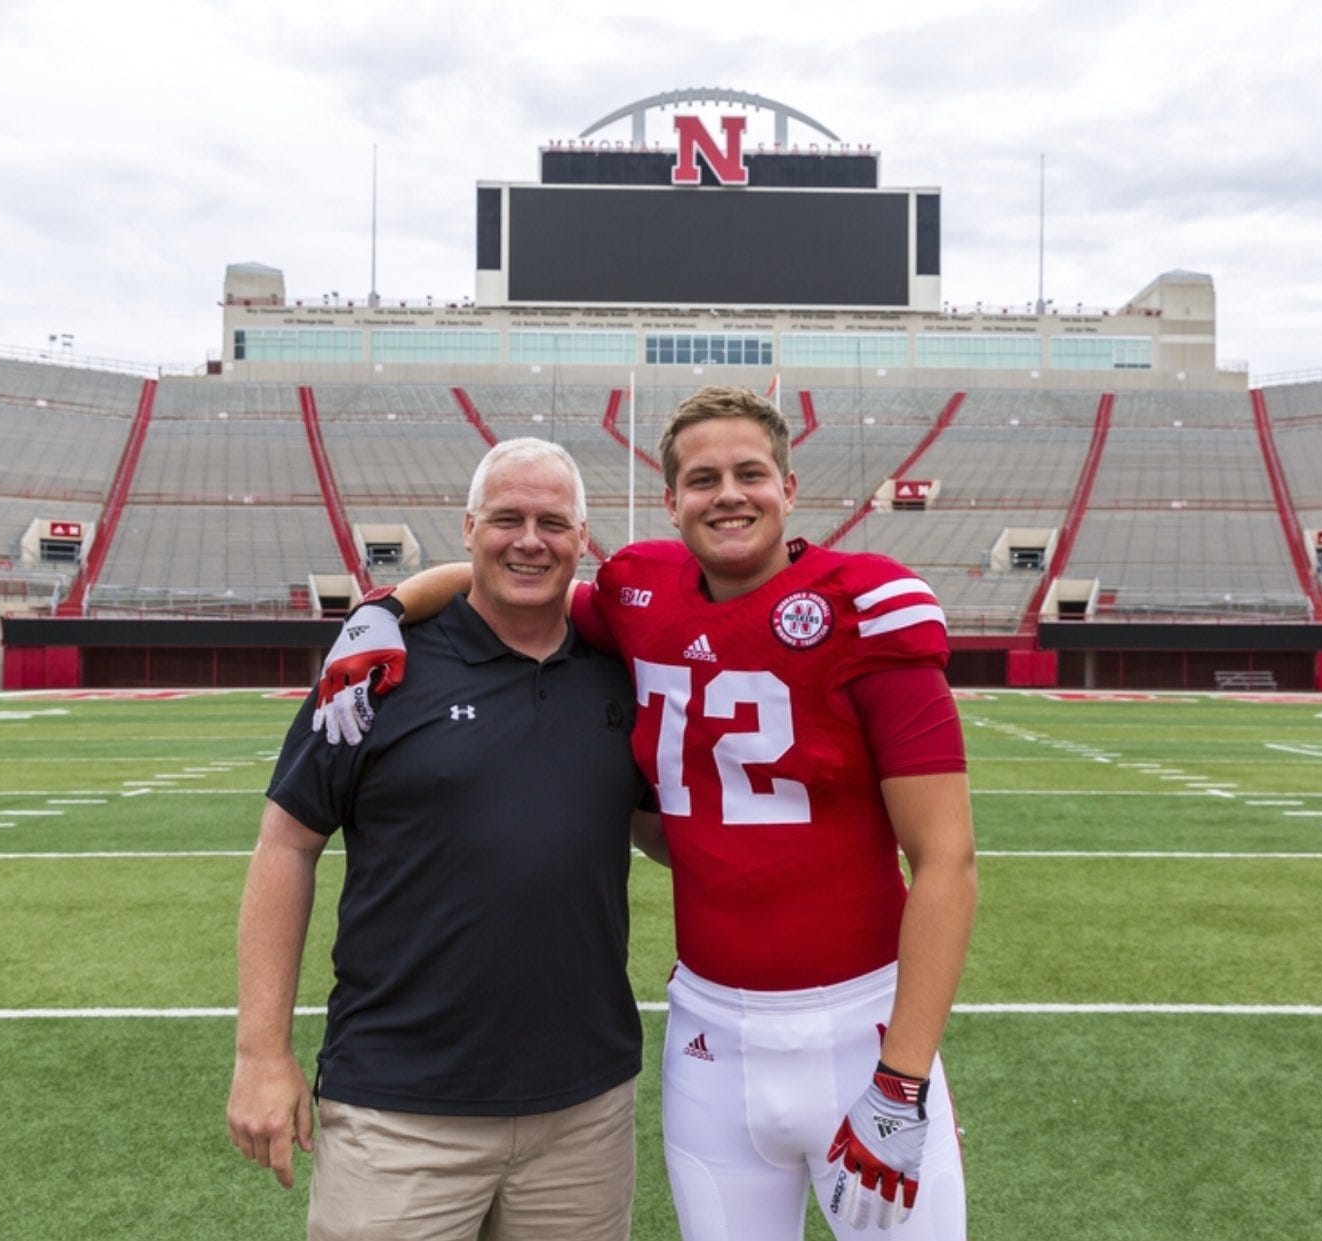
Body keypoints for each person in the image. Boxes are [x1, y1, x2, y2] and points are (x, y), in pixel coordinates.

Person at [316, 387, 978, 1240]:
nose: (728, 494)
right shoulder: (639, 595)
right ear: (671, 501)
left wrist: (903, 1078)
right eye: (703, 478)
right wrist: (385, 607)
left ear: (789, 485)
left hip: (860, 1025)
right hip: (710, 1033)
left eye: (750, 472)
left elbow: (946, 862)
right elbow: (514, 586)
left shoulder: (867, 604)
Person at [227, 438, 654, 1241]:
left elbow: (670, 829)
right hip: (399, 1105)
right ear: (467, 527)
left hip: (583, 1107)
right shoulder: (376, 667)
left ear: (582, 537)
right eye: (507, 518)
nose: (530, 539)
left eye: (553, 522)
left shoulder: (619, 667)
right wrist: (260, 1052)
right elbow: (286, 844)